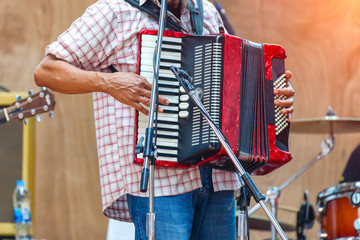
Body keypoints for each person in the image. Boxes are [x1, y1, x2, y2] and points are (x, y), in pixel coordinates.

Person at [34, 0, 295, 239]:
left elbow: (231, 82)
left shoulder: (206, 12)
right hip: (161, 183)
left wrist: (265, 99)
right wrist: (109, 82)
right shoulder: (113, 12)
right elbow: (47, 70)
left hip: (217, 178)